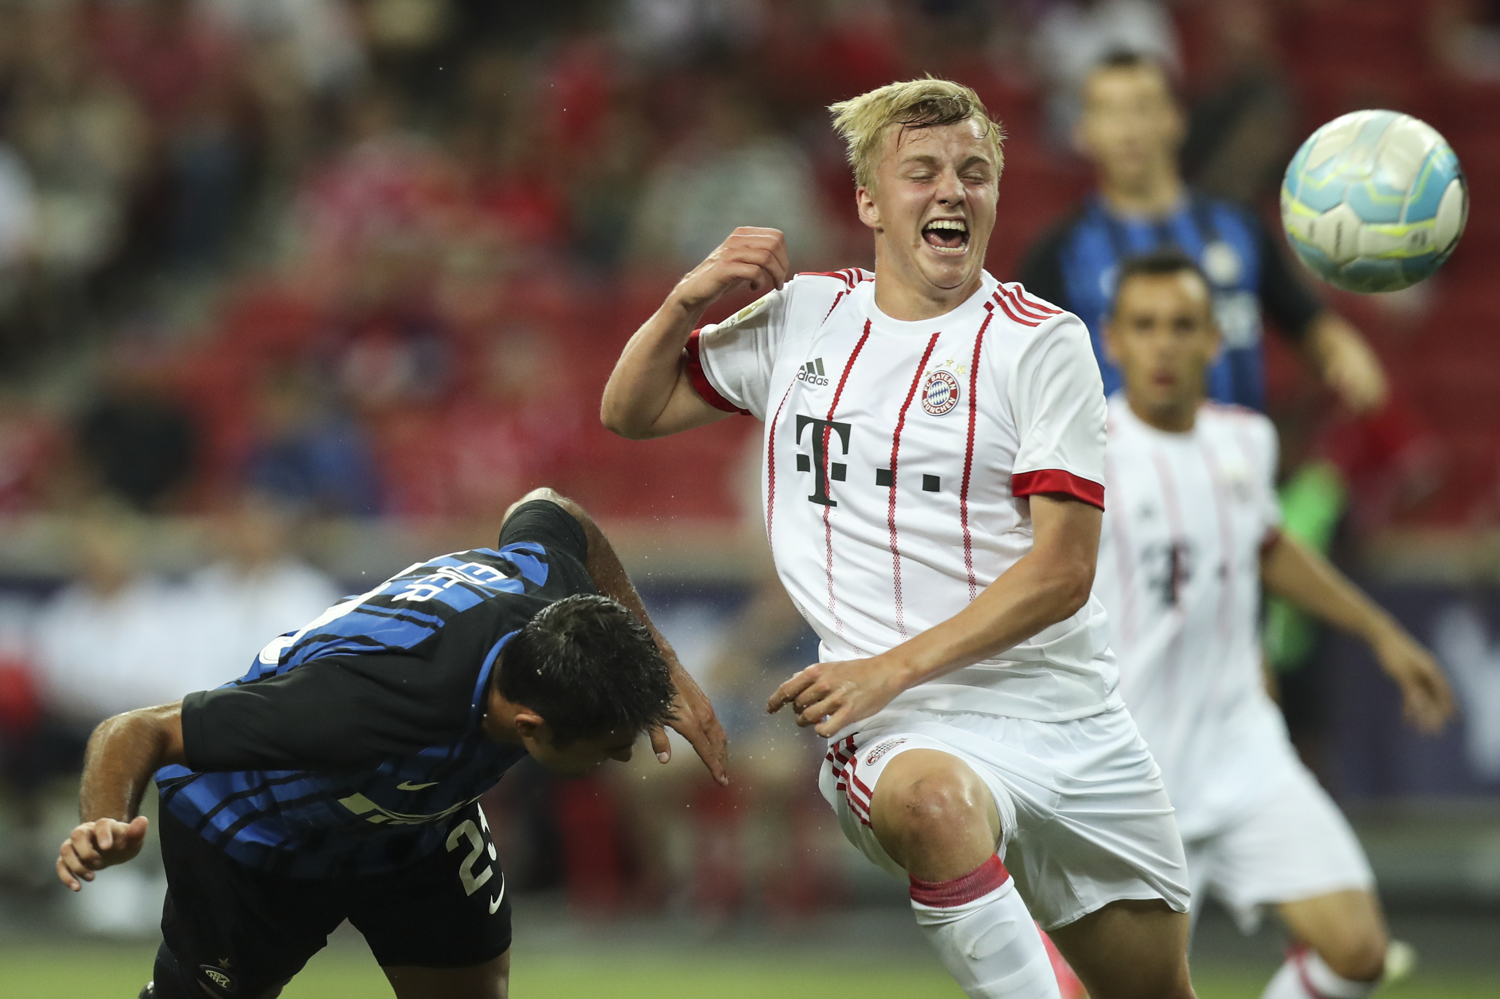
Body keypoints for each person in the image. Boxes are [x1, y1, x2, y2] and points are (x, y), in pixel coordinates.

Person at [602, 78, 1194, 999]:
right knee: (934, 804)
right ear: (869, 202)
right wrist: (687, 300)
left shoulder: (1043, 345)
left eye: (974, 172)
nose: (952, 191)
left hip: (1069, 720)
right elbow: (629, 410)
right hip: (901, 728)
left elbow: (1063, 572)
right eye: (921, 172)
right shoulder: (805, 318)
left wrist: (890, 664)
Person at [55, 488, 728, 999]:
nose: (619, 756)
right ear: (527, 723)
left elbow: (549, 508)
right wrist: (104, 819)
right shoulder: (359, 701)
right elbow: (138, 728)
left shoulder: (548, 595)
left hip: (413, 821)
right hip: (255, 835)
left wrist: (658, 653)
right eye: (606, 744)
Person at [1092, 250, 1454, 999]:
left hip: (1241, 750)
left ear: (1212, 340)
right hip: (1130, 775)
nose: (1164, 342)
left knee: (1358, 950)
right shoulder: (1085, 453)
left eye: (1182, 325)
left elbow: (1265, 544)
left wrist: (1380, 630)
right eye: (1146, 325)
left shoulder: (1245, 441)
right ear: (1113, 339)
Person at [1018, 51, 1386, 416]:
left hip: (1241, 466)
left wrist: (1342, 351)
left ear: (1176, 120)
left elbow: (1308, 323)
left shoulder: (1239, 228)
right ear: (1082, 132)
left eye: (1143, 107)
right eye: (1110, 112)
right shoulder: (1059, 253)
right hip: (1117, 471)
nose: (1128, 128)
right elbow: (1020, 374)